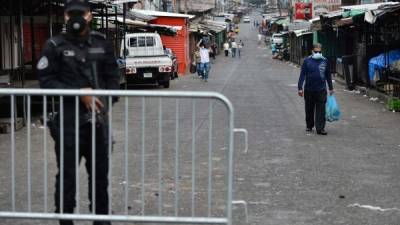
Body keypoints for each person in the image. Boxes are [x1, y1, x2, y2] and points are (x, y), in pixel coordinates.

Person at [37, 0, 119, 224]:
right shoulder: (54, 46)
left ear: (90, 15)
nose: (75, 18)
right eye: (70, 14)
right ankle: (65, 221)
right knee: (67, 178)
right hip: (68, 124)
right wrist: (77, 93)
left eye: (80, 13)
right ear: (64, 17)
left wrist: (104, 102)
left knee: (100, 179)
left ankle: (101, 221)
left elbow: (114, 79)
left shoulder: (102, 43)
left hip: (98, 124)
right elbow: (46, 81)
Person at [298, 43, 334, 135]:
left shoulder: (325, 61)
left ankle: (320, 128)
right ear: (312, 51)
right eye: (316, 51)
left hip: (321, 89)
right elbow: (302, 74)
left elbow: (328, 75)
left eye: (320, 51)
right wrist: (300, 87)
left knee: (321, 109)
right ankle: (309, 125)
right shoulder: (307, 61)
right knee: (309, 108)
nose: (318, 53)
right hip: (309, 89)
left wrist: (330, 88)